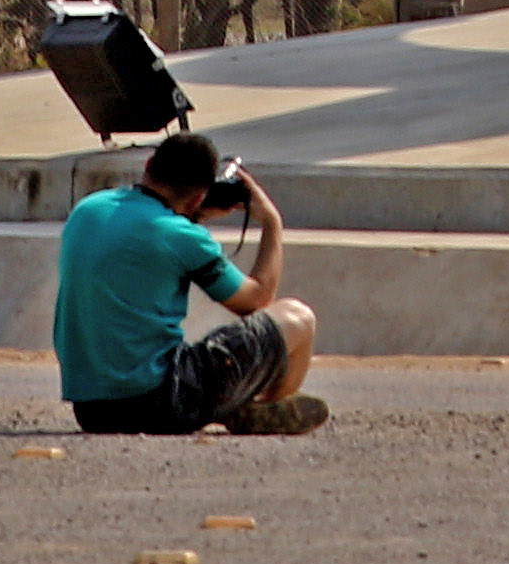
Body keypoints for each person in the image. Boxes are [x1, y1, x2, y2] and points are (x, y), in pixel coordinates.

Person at [53, 128, 325, 436]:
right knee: (298, 317)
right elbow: (257, 301)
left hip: (92, 411)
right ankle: (258, 406)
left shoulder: (87, 210)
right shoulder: (182, 236)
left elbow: (147, 242)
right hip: (162, 402)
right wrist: (272, 223)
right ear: (200, 196)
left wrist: (190, 216)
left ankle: (234, 406)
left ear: (149, 163)